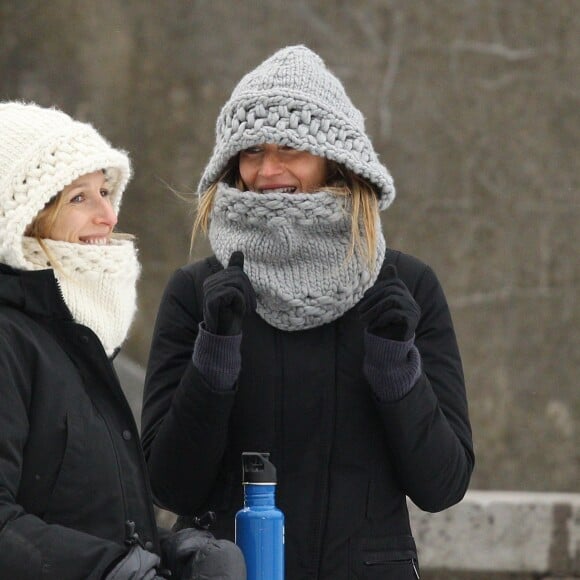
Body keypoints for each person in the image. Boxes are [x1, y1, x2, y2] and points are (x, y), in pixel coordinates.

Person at [142, 45, 474, 579]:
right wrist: (214, 362)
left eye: (290, 148)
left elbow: (443, 485)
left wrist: (397, 374)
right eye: (251, 152)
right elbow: (168, 485)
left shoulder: (406, 288)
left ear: (333, 158)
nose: (267, 170)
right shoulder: (198, 293)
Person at [0, 102, 245, 580]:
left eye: (107, 192)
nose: (108, 216)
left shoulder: (76, 338)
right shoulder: (10, 339)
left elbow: (77, 512)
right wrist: (115, 571)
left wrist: (174, 555)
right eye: (79, 198)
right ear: (22, 216)